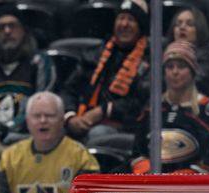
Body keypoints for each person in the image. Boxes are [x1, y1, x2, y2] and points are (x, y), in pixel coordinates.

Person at [0, 92, 99, 193]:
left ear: (61, 121)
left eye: (50, 116)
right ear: (27, 121)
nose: (43, 121)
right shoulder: (10, 156)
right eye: (37, 116)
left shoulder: (82, 157)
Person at [63, 0, 150, 142]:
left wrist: (104, 110)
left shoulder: (150, 60)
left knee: (98, 134)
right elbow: (69, 90)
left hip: (123, 127)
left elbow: (140, 102)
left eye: (131, 20)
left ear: (141, 27)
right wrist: (71, 117)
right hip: (82, 118)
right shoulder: (94, 54)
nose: (124, 24)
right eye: (121, 18)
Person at [131, 41, 209, 175]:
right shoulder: (153, 108)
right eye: (170, 67)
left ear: (192, 71)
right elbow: (138, 149)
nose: (175, 72)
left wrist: (192, 172)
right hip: (152, 183)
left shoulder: (208, 110)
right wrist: (144, 168)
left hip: (194, 187)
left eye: (181, 66)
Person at [0, 5, 56, 143]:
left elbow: (44, 100)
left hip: (27, 137)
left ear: (24, 31)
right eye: (1, 28)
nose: (7, 31)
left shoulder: (39, 61)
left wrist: (13, 127)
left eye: (12, 26)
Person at [166, 5, 209, 104]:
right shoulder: (162, 55)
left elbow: (197, 84)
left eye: (190, 24)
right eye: (178, 24)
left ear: (200, 29)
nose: (182, 27)